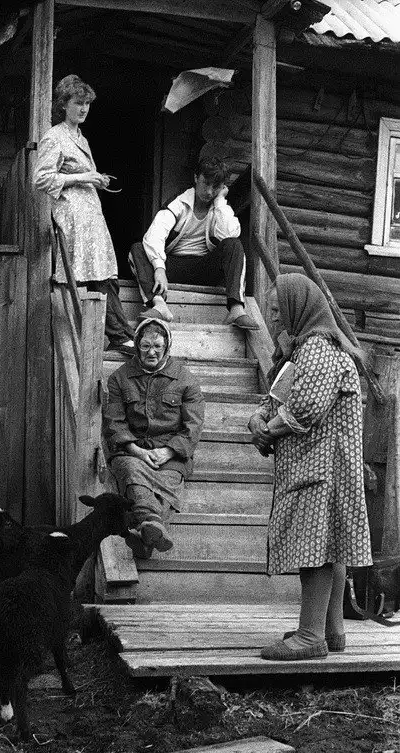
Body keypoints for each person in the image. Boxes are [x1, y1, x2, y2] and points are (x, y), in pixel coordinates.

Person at [248, 274, 372, 661]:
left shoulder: (319, 348)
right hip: (313, 468)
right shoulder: (302, 351)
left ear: (298, 308)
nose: (273, 316)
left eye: (277, 309)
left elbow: (304, 409)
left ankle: (310, 636)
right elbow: (279, 399)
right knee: (329, 547)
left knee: (315, 552)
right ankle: (331, 631)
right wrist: (259, 419)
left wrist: (266, 430)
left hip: (323, 469)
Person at [34, 74, 135, 355]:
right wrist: (83, 177)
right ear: (63, 105)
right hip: (73, 217)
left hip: (90, 215)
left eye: (87, 103)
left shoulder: (81, 138)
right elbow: (41, 179)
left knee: (104, 273)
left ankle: (120, 334)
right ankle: (106, 336)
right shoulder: (55, 136)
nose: (83, 109)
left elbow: (77, 174)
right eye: (78, 103)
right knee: (84, 276)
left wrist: (95, 179)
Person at [103, 318, 205, 558]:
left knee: (168, 481)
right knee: (131, 472)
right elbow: (114, 421)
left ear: (167, 347)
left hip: (171, 453)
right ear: (137, 346)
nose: (152, 352)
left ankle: (144, 531)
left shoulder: (185, 380)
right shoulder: (119, 378)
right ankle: (152, 527)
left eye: (158, 346)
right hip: (133, 450)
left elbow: (194, 424)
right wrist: (137, 451)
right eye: (146, 346)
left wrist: (168, 451)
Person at [128, 156, 258, 330]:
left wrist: (220, 201)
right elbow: (154, 235)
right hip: (172, 269)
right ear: (196, 178)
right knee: (138, 248)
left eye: (216, 187)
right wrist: (159, 268)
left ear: (222, 187)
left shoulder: (219, 208)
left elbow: (229, 235)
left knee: (234, 244)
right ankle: (159, 305)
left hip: (204, 270)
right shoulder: (179, 203)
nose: (209, 192)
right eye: (206, 183)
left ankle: (236, 309)